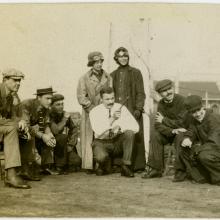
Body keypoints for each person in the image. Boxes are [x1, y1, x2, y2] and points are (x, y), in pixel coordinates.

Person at [89, 87, 139, 177]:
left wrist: (121, 127)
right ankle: (103, 165)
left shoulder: (121, 108)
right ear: (101, 99)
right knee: (101, 157)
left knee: (129, 133)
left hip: (116, 142)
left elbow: (135, 127)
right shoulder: (94, 111)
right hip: (101, 142)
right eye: (107, 99)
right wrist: (112, 119)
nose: (110, 101)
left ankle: (125, 166)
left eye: (112, 98)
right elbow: (98, 130)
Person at [142, 79, 187, 178]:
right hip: (170, 133)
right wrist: (172, 130)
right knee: (155, 135)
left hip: (182, 133)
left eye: (170, 88)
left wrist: (164, 120)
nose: (169, 92)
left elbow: (182, 123)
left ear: (173, 88)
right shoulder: (161, 104)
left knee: (180, 135)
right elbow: (158, 125)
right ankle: (156, 169)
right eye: (164, 91)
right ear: (160, 94)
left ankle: (180, 170)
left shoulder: (182, 101)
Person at [111, 47, 146, 171]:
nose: (123, 58)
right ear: (116, 58)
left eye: (125, 56)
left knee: (134, 134)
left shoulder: (136, 72)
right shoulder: (113, 75)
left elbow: (141, 93)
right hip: (118, 111)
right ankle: (119, 164)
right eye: (120, 56)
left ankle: (137, 166)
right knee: (118, 134)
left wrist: (139, 108)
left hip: (132, 110)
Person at [77, 51, 112, 171]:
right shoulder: (84, 78)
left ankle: (101, 164)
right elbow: (81, 97)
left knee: (103, 135)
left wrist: (104, 107)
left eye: (101, 61)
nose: (99, 64)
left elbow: (110, 92)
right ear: (91, 63)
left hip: (104, 111)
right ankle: (89, 165)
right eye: (96, 62)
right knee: (89, 137)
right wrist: (92, 108)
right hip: (89, 112)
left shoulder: (108, 77)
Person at [174, 95, 220, 185]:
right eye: (193, 112)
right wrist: (187, 138)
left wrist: (196, 150)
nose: (197, 114)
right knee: (184, 150)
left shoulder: (213, 118)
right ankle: (202, 176)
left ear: (203, 107)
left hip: (216, 149)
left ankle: (217, 177)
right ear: (190, 113)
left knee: (203, 155)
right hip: (208, 150)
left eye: (199, 110)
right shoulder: (194, 120)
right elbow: (191, 130)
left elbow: (214, 142)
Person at [0, 68, 30, 189]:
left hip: (3, 126)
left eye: (19, 81)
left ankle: (23, 170)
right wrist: (14, 123)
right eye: (15, 80)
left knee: (24, 130)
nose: (18, 83)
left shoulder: (12, 95)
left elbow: (15, 114)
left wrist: (22, 122)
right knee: (12, 128)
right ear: (5, 80)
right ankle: (11, 175)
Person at [19, 87, 58, 177]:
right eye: (47, 98)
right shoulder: (27, 104)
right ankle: (29, 167)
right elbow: (26, 126)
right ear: (39, 98)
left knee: (49, 137)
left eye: (51, 99)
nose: (50, 101)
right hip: (22, 131)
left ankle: (46, 166)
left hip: (35, 131)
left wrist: (49, 134)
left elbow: (46, 125)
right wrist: (43, 136)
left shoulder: (46, 108)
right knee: (32, 136)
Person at [50, 94, 81, 174]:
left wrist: (70, 145)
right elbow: (55, 131)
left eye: (62, 104)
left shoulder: (63, 114)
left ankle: (62, 164)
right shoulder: (49, 115)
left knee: (77, 161)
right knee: (62, 137)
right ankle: (59, 166)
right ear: (51, 106)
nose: (61, 106)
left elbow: (74, 129)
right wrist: (64, 119)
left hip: (61, 144)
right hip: (48, 144)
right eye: (58, 105)